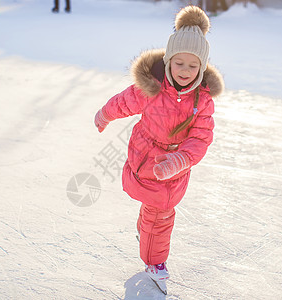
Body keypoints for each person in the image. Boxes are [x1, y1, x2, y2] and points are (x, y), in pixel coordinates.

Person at [94, 6, 224, 293]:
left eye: (193, 66)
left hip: (175, 168)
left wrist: (180, 159)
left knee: (160, 211)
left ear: (202, 68)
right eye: (180, 64)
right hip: (144, 156)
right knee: (157, 211)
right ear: (168, 61)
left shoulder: (202, 101)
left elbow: (201, 138)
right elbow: (124, 102)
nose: (186, 72)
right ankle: (155, 261)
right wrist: (105, 114)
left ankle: (153, 254)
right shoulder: (152, 88)